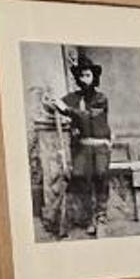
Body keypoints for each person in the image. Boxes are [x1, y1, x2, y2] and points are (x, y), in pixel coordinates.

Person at [53, 51, 113, 236]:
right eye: (81, 76)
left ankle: (101, 215)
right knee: (82, 178)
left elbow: (88, 117)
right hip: (82, 146)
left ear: (94, 77)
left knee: (100, 176)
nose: (84, 79)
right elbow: (58, 105)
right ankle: (89, 218)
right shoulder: (74, 97)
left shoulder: (101, 98)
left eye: (88, 75)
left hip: (100, 145)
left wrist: (67, 111)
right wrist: (51, 102)